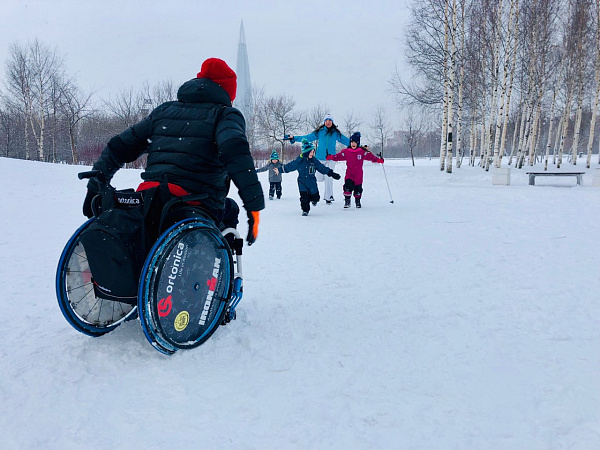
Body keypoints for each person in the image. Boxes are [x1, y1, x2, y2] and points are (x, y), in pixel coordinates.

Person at [83, 57, 264, 245]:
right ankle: (215, 260)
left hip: (151, 198)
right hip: (195, 203)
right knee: (230, 209)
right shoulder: (225, 114)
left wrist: (94, 186)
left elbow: (120, 146)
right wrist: (254, 208)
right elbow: (236, 153)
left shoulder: (164, 111)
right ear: (227, 93)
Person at [288, 114, 349, 205]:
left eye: (330, 120)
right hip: (320, 158)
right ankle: (312, 193)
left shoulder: (335, 133)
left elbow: (346, 140)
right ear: (324, 122)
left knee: (328, 177)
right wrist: (294, 138)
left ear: (332, 122)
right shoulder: (320, 132)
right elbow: (307, 137)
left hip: (331, 159)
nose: (328, 122)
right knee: (318, 178)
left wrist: (358, 145)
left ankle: (328, 197)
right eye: (326, 120)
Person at [275, 139, 341, 216]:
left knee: (315, 197)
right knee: (304, 198)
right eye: (311, 152)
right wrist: (279, 170)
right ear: (306, 152)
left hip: (312, 182)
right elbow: (290, 166)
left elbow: (322, 168)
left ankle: (314, 200)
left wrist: (331, 173)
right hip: (302, 182)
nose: (312, 153)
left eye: (313, 152)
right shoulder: (299, 161)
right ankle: (305, 210)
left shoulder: (314, 161)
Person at [326, 132, 383, 209]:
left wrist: (379, 160)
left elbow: (371, 157)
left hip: (358, 175)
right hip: (349, 174)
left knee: (358, 189)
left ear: (358, 143)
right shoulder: (346, 152)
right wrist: (331, 157)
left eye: (355, 142)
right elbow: (338, 156)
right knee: (347, 187)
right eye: (352, 142)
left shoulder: (362, 152)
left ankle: (357, 201)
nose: (353, 144)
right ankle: (347, 201)